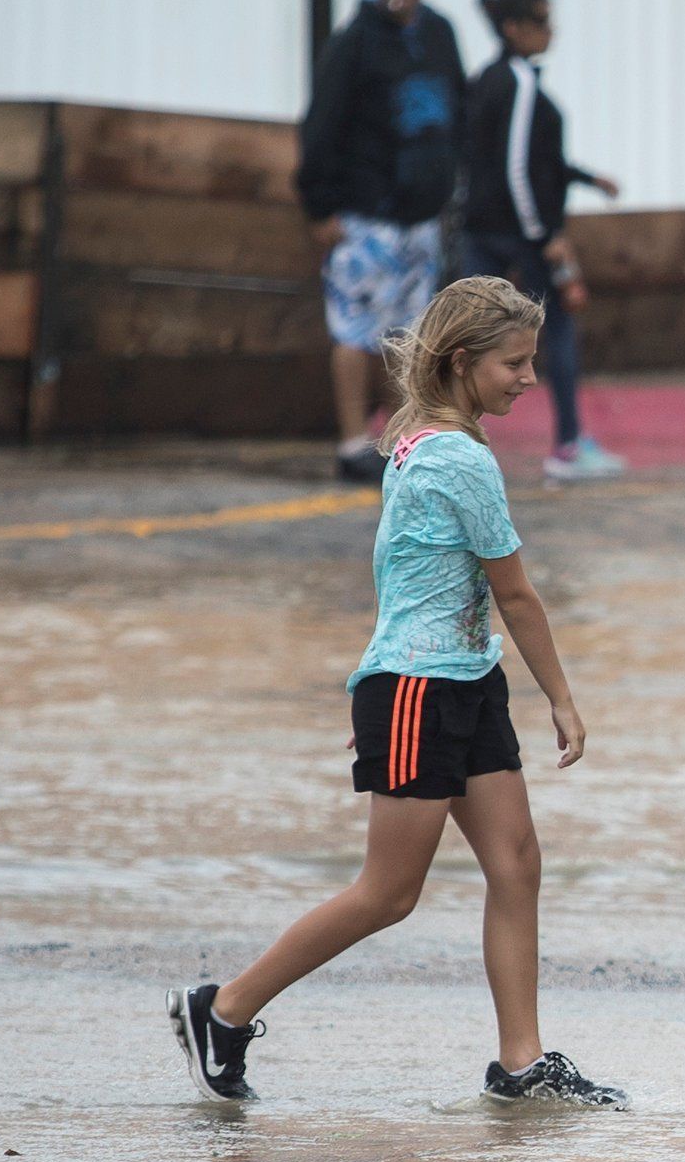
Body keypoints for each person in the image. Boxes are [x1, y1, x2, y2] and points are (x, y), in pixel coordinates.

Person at [171, 275, 621, 1108]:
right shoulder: (455, 456)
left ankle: (521, 1063)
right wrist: (560, 696)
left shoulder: (418, 436)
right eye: (514, 363)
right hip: (422, 689)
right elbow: (516, 591)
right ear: (461, 362)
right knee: (389, 893)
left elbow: (404, 571)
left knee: (516, 863)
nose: (529, 377)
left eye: (531, 360)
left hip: (456, 677)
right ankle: (223, 1009)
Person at [298, 0, 471, 483]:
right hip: (365, 215)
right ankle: (353, 444)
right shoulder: (354, 44)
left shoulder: (440, 35)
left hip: (419, 217)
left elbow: (458, 115)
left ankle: (402, 439)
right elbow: (320, 125)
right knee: (355, 330)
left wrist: (452, 187)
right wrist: (319, 205)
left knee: (410, 335)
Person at [465, 0, 627, 484]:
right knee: (554, 332)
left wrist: (583, 178)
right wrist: (545, 234)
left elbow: (529, 160)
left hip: (486, 229)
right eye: (541, 22)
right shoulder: (516, 82)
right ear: (515, 29)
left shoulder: (490, 80)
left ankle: (456, 444)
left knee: (473, 338)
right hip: (518, 236)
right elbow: (516, 169)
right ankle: (569, 443)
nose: (550, 32)